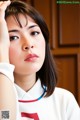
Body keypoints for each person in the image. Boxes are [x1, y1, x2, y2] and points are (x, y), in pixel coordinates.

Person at [0, 0, 79, 119]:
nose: (29, 44)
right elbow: (4, 117)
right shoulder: (3, 104)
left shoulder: (64, 101)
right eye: (13, 37)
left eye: (34, 32)